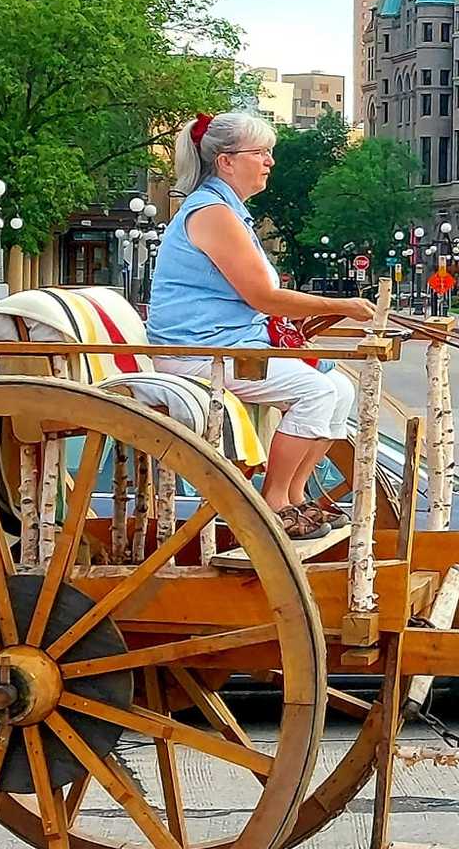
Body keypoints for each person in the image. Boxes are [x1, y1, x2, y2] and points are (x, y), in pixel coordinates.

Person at [148, 111, 378, 541]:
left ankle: (293, 495)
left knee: (340, 389)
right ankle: (272, 503)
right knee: (316, 391)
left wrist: (327, 310)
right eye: (261, 152)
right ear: (226, 161)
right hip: (198, 353)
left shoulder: (226, 211)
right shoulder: (213, 213)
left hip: (230, 345)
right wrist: (340, 304)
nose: (270, 161)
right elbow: (263, 298)